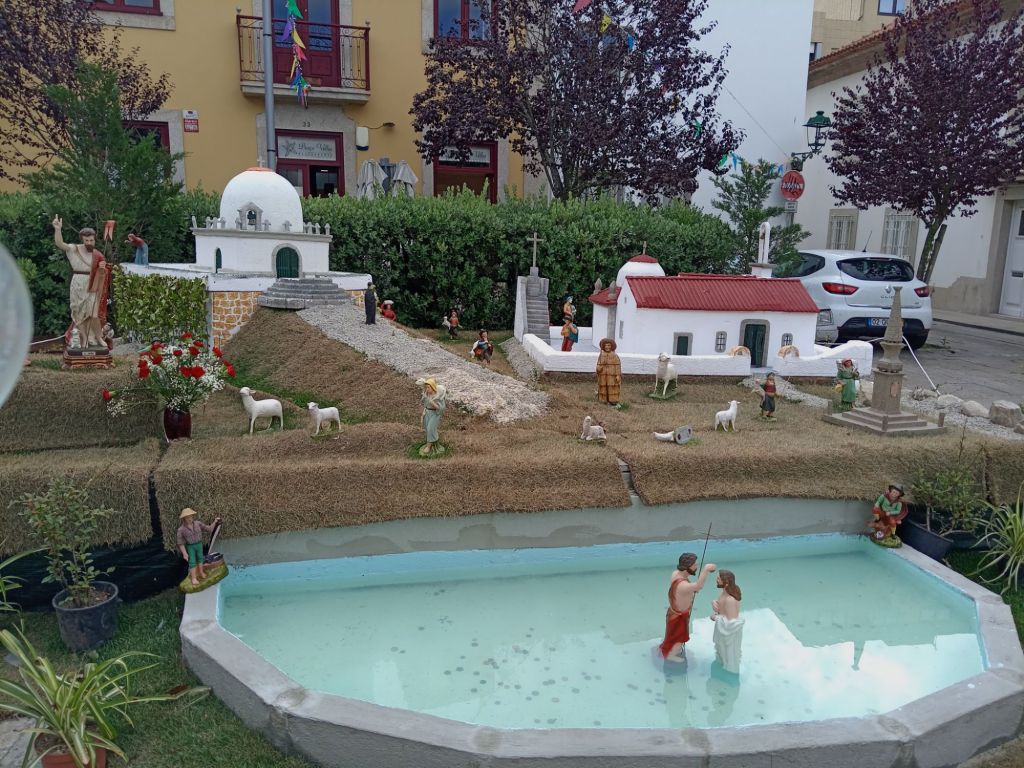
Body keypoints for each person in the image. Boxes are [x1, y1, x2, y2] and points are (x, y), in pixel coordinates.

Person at [53, 215, 107, 349]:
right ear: (82, 239)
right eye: (86, 240)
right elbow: (60, 244)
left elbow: (103, 271)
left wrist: (102, 268)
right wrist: (58, 230)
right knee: (78, 314)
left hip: (92, 284)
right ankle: (84, 338)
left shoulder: (97, 254)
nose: (89, 243)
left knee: (93, 314)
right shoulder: (74, 249)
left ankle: (99, 337)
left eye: (91, 240)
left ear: (94, 240)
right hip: (77, 284)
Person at [659, 553, 716, 663]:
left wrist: (691, 590)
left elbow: (690, 589)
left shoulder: (676, 574)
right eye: (694, 565)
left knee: (672, 635)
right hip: (679, 616)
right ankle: (671, 655)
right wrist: (706, 569)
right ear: (687, 566)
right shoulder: (683, 585)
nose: (696, 567)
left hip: (673, 613)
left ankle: (670, 648)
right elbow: (698, 586)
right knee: (679, 638)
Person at [176, 508, 221, 587]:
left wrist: (215, 522)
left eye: (191, 516)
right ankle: (194, 578)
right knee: (192, 561)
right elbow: (180, 543)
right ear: (184, 519)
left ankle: (201, 572)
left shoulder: (198, 523)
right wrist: (184, 553)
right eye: (187, 517)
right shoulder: (181, 530)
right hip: (190, 546)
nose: (189, 519)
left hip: (199, 545)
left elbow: (209, 529)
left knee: (200, 558)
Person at [710, 569, 744, 674]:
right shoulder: (723, 593)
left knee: (728, 655)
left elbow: (731, 624)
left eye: (718, 578)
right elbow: (724, 611)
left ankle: (729, 672)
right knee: (721, 652)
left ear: (726, 582)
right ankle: (722, 665)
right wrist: (717, 606)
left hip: (729, 637)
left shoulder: (730, 600)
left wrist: (716, 618)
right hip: (723, 635)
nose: (716, 580)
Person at [416, 377, 447, 456]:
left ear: (433, 387)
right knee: (427, 428)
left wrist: (433, 403)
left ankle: (429, 446)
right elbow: (424, 404)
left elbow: (442, 408)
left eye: (428, 387)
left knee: (430, 428)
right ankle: (432, 442)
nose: (427, 389)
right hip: (427, 413)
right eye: (426, 387)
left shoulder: (438, 396)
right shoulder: (426, 395)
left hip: (435, 414)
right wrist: (423, 413)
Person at [596, 338, 622, 406]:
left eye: (609, 345)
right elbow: (598, 364)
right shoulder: (601, 355)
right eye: (605, 345)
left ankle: (613, 400)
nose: (607, 347)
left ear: (611, 346)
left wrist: (618, 375)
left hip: (612, 376)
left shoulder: (614, 355)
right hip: (603, 375)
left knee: (612, 387)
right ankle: (603, 399)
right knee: (603, 387)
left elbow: (617, 366)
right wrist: (598, 368)